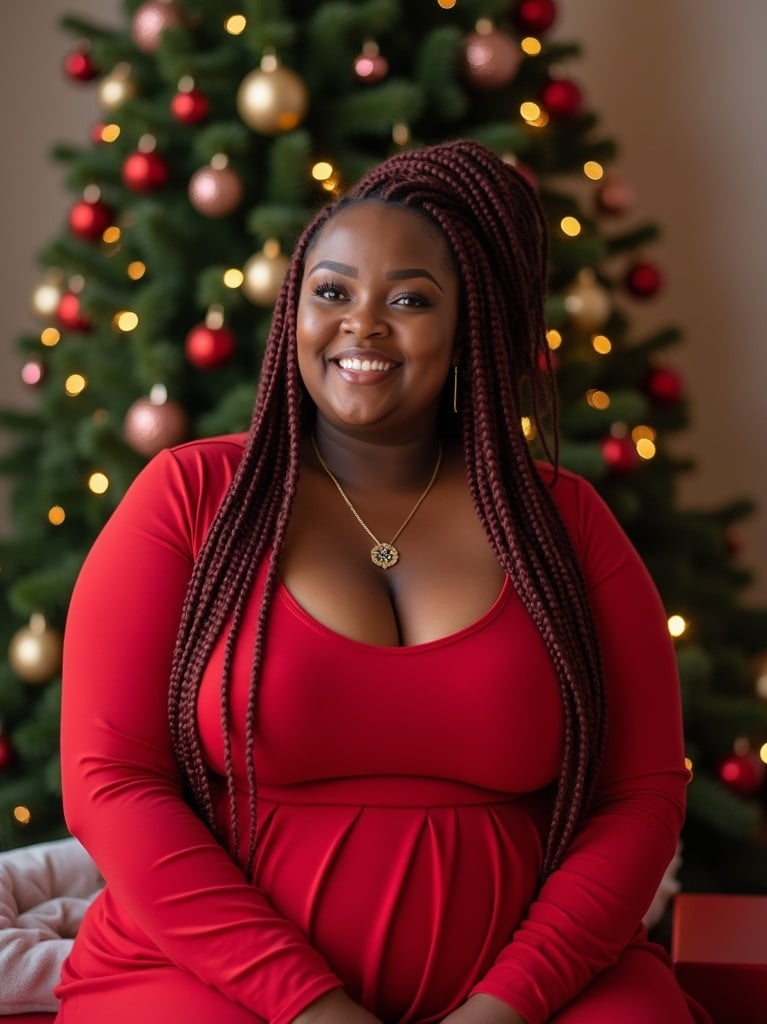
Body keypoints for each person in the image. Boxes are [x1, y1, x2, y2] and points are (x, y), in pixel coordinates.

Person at [55, 139, 711, 1024]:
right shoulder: (190, 497)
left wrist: (505, 1008)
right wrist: (311, 1007)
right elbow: (110, 780)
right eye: (332, 292)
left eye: (408, 299)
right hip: (217, 986)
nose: (362, 324)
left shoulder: (564, 523)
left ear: (469, 326)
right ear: (294, 313)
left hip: (530, 995)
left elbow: (642, 795)